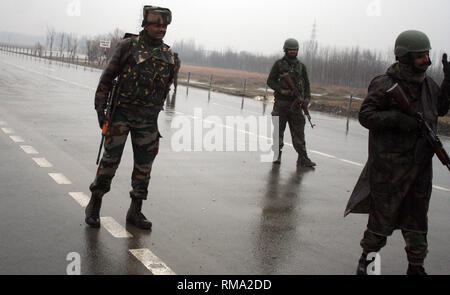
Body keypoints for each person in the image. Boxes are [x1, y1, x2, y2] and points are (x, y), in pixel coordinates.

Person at [345, 30, 449, 275]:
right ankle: (367, 262)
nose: (426, 60)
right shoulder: (385, 84)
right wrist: (396, 119)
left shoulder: (428, 85)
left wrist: (449, 80)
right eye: (421, 55)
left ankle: (416, 266)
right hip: (389, 168)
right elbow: (365, 115)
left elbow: (441, 108)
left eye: (427, 54)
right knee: (381, 220)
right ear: (404, 56)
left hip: (420, 167)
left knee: (417, 220)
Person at [85, 6, 177, 230]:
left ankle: (135, 210)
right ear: (146, 25)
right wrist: (102, 112)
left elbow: (165, 90)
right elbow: (106, 80)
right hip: (121, 115)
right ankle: (94, 204)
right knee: (110, 162)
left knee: (144, 168)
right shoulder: (129, 47)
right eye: (157, 24)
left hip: (147, 121)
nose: (161, 29)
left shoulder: (169, 55)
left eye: (164, 26)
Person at [267, 38, 316, 167]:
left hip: (296, 105)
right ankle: (277, 155)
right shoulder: (279, 65)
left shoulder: (301, 66)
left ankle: (303, 158)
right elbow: (270, 81)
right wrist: (282, 91)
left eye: (295, 50)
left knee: (299, 132)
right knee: (278, 131)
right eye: (291, 49)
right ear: (285, 50)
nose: (293, 52)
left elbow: (306, 84)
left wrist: (306, 99)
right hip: (281, 104)